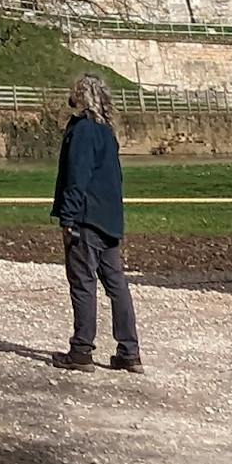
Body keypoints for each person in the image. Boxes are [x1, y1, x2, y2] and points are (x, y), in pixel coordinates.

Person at [49, 73, 142, 372]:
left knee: (83, 282)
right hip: (110, 218)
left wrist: (69, 217)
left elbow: (78, 176)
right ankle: (129, 351)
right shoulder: (107, 133)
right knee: (117, 285)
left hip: (87, 218)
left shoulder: (83, 131)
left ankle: (81, 349)